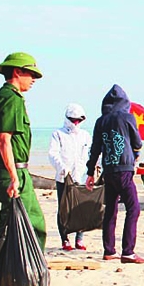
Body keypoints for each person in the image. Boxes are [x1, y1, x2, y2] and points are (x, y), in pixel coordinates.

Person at [0, 52, 47, 286]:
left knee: (9, 225)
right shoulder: (12, 99)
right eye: (30, 74)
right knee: (33, 223)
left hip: (3, 168)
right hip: (13, 169)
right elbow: (3, 139)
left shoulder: (1, 96)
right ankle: (24, 279)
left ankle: (3, 283)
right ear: (17, 72)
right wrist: (14, 176)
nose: (33, 79)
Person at [85, 84, 144, 264]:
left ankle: (109, 250)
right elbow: (137, 141)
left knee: (111, 210)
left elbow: (95, 148)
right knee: (133, 209)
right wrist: (136, 151)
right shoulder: (128, 117)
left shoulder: (100, 121)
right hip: (124, 169)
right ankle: (128, 252)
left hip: (108, 170)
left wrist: (90, 172)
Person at [48, 103, 92, 251]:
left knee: (81, 208)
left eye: (79, 120)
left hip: (80, 176)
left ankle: (79, 238)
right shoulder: (58, 134)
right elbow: (53, 153)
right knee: (64, 208)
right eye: (73, 120)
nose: (76, 123)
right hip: (63, 177)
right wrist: (61, 167)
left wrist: (94, 168)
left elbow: (90, 154)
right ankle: (65, 239)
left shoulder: (85, 135)